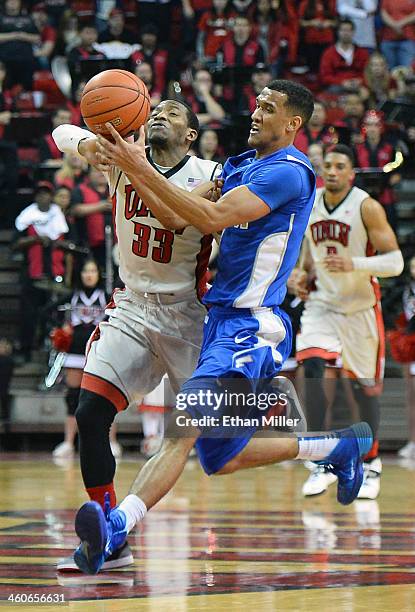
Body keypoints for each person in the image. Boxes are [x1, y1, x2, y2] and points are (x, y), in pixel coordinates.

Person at [72, 80, 373, 576]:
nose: (254, 112)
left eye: (268, 108)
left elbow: (211, 216)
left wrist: (137, 166)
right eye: (255, 103)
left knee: (181, 428)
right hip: (217, 322)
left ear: (294, 124)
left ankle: (116, 528)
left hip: (252, 327)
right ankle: (335, 445)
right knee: (219, 456)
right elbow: (174, 217)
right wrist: (127, 166)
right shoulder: (238, 165)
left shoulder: (291, 172)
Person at [52, 99, 222, 571]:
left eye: (174, 112)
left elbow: (224, 232)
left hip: (189, 315)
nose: (160, 115)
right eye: (156, 110)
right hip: (131, 306)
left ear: (191, 135)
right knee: (89, 413)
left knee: (219, 448)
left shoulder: (214, 173)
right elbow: (61, 134)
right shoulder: (122, 159)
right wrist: (88, 145)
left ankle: (327, 446)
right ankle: (108, 537)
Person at [291, 144, 403, 500]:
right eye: (329, 165)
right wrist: (301, 276)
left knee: (363, 391)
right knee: (311, 368)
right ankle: (322, 459)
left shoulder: (366, 206)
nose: (334, 171)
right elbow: (310, 254)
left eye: (341, 166)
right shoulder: (312, 202)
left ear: (352, 173)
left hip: (360, 310)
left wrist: (356, 263)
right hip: (323, 304)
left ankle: (371, 464)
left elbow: (396, 262)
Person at [51, 259, 121, 460]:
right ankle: (68, 443)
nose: (89, 275)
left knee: (106, 396)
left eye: (92, 271)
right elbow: (46, 310)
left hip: (100, 350)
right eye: (85, 271)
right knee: (73, 397)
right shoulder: (72, 296)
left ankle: (111, 441)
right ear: (80, 274)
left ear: (98, 274)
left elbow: (122, 315)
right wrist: (60, 327)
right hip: (75, 350)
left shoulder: (106, 297)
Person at [12, 181, 69, 362]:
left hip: (55, 274)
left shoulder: (58, 216)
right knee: (28, 315)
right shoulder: (26, 216)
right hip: (31, 275)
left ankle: (49, 355)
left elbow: (71, 243)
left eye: (47, 193)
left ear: (51, 197)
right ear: (35, 196)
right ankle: (26, 351)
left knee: (53, 316)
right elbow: (15, 244)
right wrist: (35, 239)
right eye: (40, 193)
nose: (44, 196)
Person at [319, 19, 369, 92]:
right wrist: (342, 82)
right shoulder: (329, 53)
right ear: (338, 32)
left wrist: (360, 80)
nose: (346, 33)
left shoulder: (362, 53)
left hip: (358, 86)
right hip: (337, 87)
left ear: (353, 32)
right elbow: (325, 76)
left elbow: (368, 72)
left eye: (348, 30)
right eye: (343, 30)